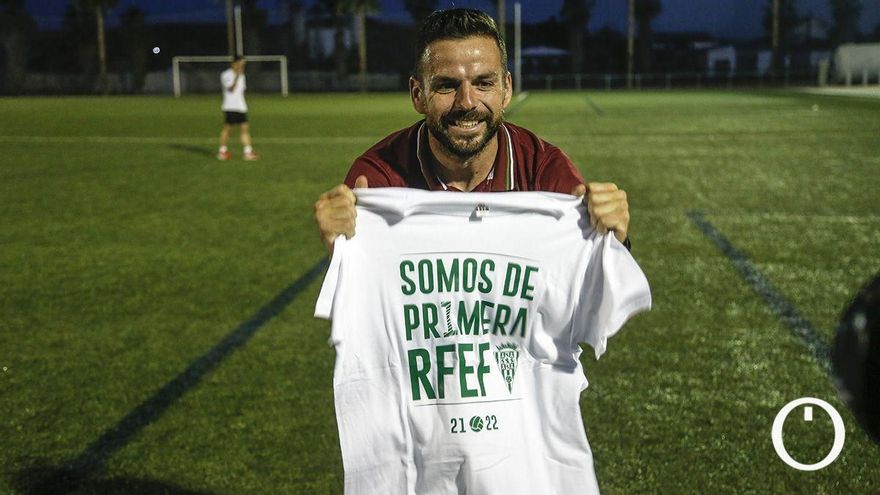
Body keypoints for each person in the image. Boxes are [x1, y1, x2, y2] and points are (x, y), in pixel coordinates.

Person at [314, 8, 630, 253]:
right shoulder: (377, 178)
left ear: (506, 90)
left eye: (483, 83)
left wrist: (614, 239)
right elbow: (364, 307)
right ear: (417, 95)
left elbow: (596, 291)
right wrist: (339, 249)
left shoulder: (543, 170)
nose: (467, 102)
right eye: (447, 85)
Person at [217, 56, 259, 161]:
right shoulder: (226, 74)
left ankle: (248, 152)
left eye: (243, 64)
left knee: (245, 129)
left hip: (240, 107)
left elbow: (241, 92)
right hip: (230, 107)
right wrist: (236, 76)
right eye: (240, 64)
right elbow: (231, 89)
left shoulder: (242, 76)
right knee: (228, 129)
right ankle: (222, 152)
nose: (242, 66)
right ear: (234, 63)